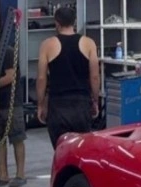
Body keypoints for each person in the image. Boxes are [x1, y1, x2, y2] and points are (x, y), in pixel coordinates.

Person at [36, 6, 100, 149]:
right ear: (74, 21)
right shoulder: (89, 43)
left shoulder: (47, 45)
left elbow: (41, 79)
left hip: (58, 105)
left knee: (61, 150)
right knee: (81, 149)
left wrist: (40, 104)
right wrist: (95, 100)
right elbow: (95, 77)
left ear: (57, 22)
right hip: (81, 103)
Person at [0, 42, 27, 187]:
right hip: (1, 103)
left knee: (17, 138)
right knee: (0, 141)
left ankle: (20, 174)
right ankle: (3, 175)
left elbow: (10, 77)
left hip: (11, 104)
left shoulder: (8, 52)